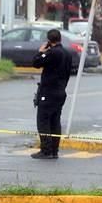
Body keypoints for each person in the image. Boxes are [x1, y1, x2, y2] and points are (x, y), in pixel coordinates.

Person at [31, 29, 73, 160]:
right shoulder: (67, 53)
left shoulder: (52, 53)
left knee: (43, 121)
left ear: (49, 40)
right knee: (55, 122)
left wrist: (41, 51)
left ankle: (46, 150)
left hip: (48, 92)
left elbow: (36, 63)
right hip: (61, 91)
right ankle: (54, 150)